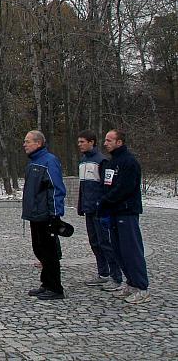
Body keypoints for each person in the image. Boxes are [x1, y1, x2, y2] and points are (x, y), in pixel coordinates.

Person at [98, 129, 150, 304]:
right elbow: (108, 185)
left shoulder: (129, 162)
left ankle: (142, 287)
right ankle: (131, 283)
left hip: (126, 212)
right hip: (113, 212)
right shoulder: (112, 162)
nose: (105, 143)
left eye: (109, 140)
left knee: (131, 250)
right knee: (119, 251)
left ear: (119, 142)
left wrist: (106, 200)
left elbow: (124, 188)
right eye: (105, 140)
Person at [21, 130, 67, 300]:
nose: (24, 144)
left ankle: (55, 288)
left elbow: (56, 189)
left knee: (49, 252)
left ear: (38, 143)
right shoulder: (33, 162)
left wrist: (55, 214)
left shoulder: (50, 161)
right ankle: (46, 283)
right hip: (35, 215)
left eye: (27, 141)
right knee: (39, 249)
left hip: (46, 216)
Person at [76, 130, 122, 291]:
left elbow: (106, 187)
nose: (79, 144)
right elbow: (83, 187)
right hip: (88, 209)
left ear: (92, 142)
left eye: (82, 142)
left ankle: (116, 276)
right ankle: (103, 273)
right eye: (79, 142)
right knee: (94, 242)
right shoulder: (82, 161)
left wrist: (103, 207)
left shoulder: (101, 161)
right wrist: (81, 206)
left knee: (105, 243)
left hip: (100, 209)